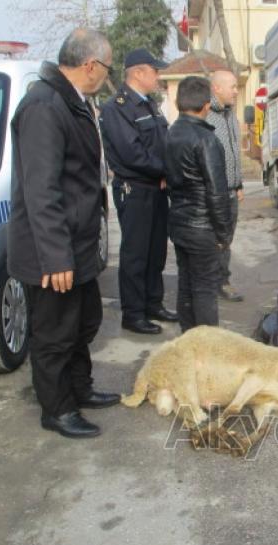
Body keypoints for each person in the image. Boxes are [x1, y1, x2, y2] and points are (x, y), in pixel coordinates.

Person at [8, 28, 119, 439]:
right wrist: (55, 257)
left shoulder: (73, 103)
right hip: (51, 252)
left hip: (78, 244)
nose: (106, 78)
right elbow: (41, 191)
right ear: (91, 65)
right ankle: (57, 409)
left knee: (84, 321)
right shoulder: (44, 106)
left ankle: (80, 388)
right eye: (106, 69)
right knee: (54, 333)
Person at [100, 48, 178, 335]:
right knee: (136, 253)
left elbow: (164, 143)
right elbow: (132, 154)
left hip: (157, 188)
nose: (158, 77)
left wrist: (165, 172)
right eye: (155, 71)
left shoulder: (150, 105)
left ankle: (152, 304)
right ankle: (133, 313)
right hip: (135, 189)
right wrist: (164, 171)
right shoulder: (116, 107)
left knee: (156, 250)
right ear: (138, 73)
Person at [165, 76, 232, 331]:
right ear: (206, 105)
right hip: (202, 225)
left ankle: (188, 342)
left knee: (186, 284)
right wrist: (223, 233)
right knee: (204, 288)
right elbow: (217, 192)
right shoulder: (206, 139)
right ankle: (207, 350)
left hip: (180, 223)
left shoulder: (172, 133)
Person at [206, 70, 245, 302]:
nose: (235, 90)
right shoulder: (206, 114)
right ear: (216, 88)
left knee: (226, 239)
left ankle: (223, 281)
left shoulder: (230, 114)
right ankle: (210, 283)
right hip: (214, 192)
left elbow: (234, 152)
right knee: (214, 239)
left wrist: (238, 184)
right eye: (232, 86)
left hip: (231, 191)